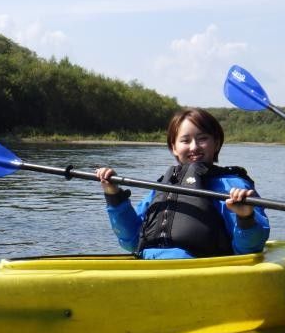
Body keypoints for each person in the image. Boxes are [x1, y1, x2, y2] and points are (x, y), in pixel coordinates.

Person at [96, 107, 270, 259]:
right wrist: (113, 195)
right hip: (150, 267)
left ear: (216, 143)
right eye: (185, 141)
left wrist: (246, 217)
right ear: (174, 147)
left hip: (202, 271)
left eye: (202, 138)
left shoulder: (233, 187)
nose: (194, 147)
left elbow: (250, 250)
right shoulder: (162, 187)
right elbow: (131, 242)